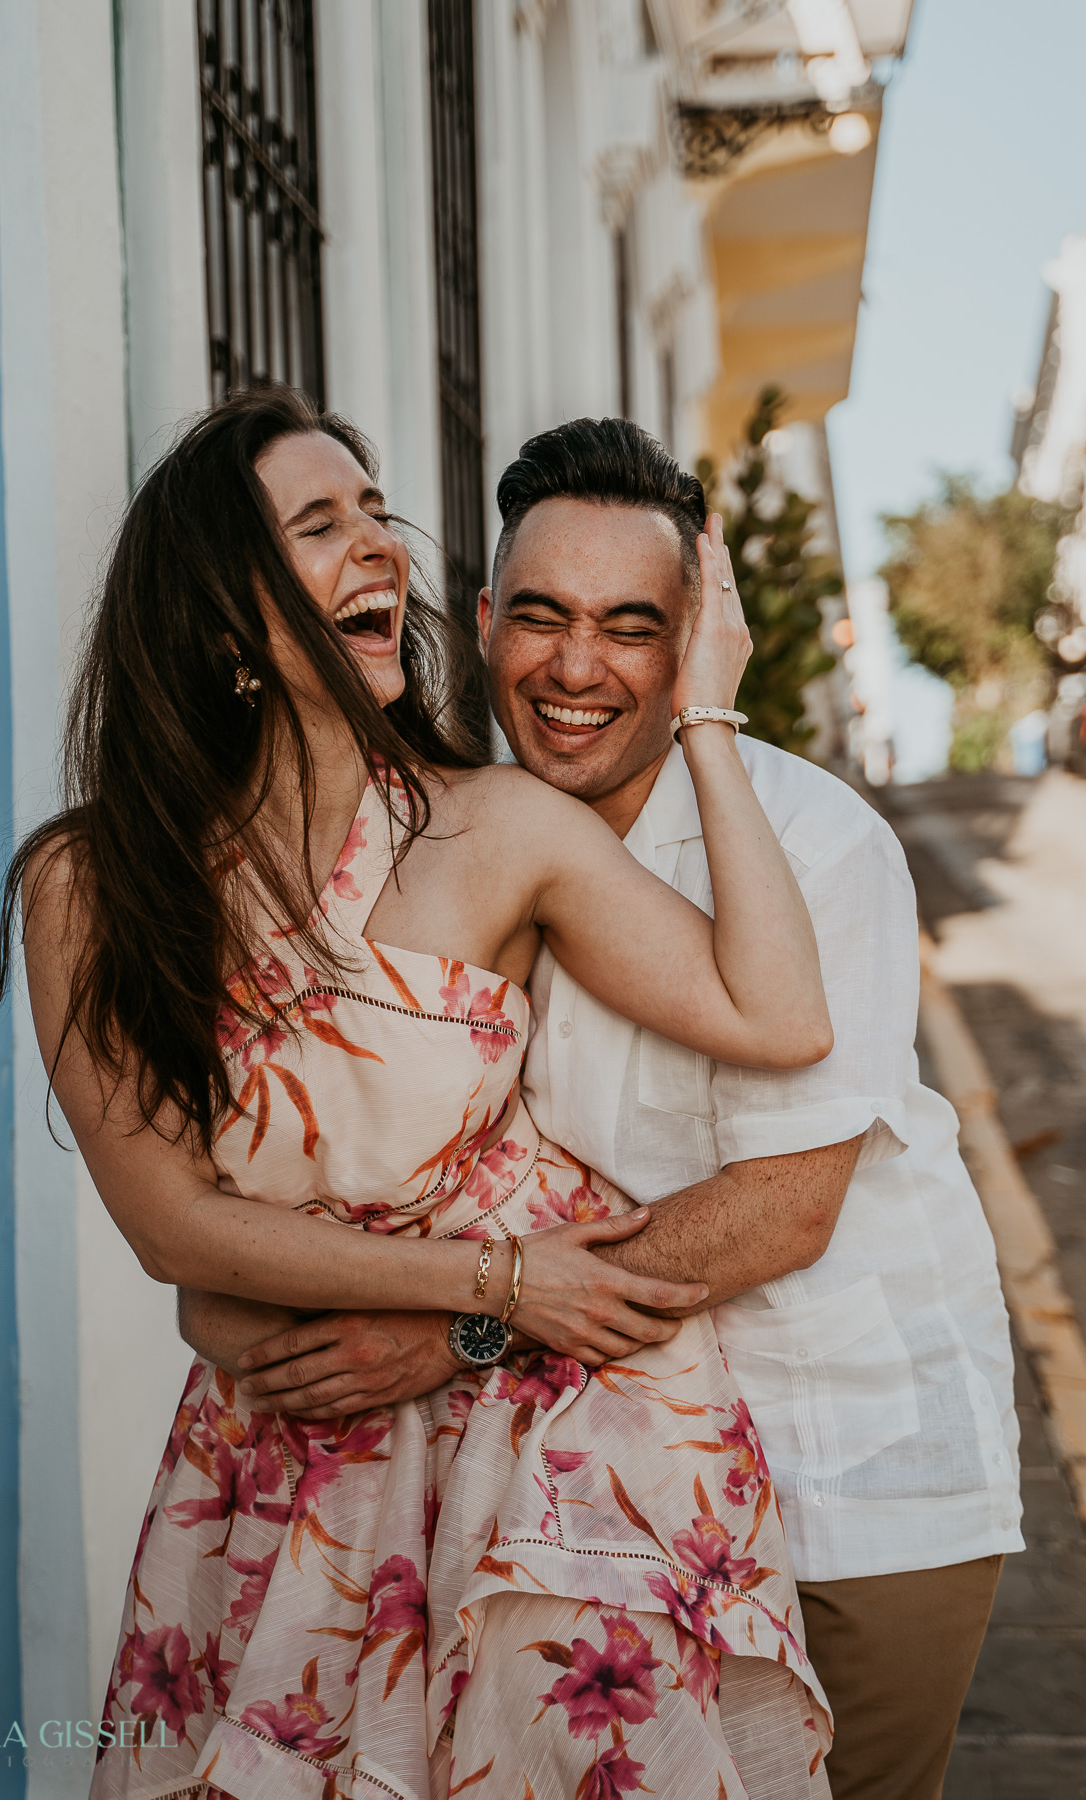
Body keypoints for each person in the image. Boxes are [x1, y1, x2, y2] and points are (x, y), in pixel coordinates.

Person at [0, 387, 839, 1800]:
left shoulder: (503, 827)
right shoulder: (92, 887)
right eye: (321, 523)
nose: (379, 545)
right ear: (220, 615)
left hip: (541, 1440)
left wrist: (704, 708)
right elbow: (170, 1228)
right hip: (285, 1443)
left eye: (377, 511)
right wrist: (501, 1280)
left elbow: (779, 1012)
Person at [194, 418, 1025, 1800]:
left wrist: (450, 1327)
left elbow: (780, 1211)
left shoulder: (815, 844)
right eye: (540, 616)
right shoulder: (460, 842)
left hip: (846, 1469)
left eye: (633, 627)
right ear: (481, 621)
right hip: (583, 1488)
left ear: (693, 644)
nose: (577, 667)